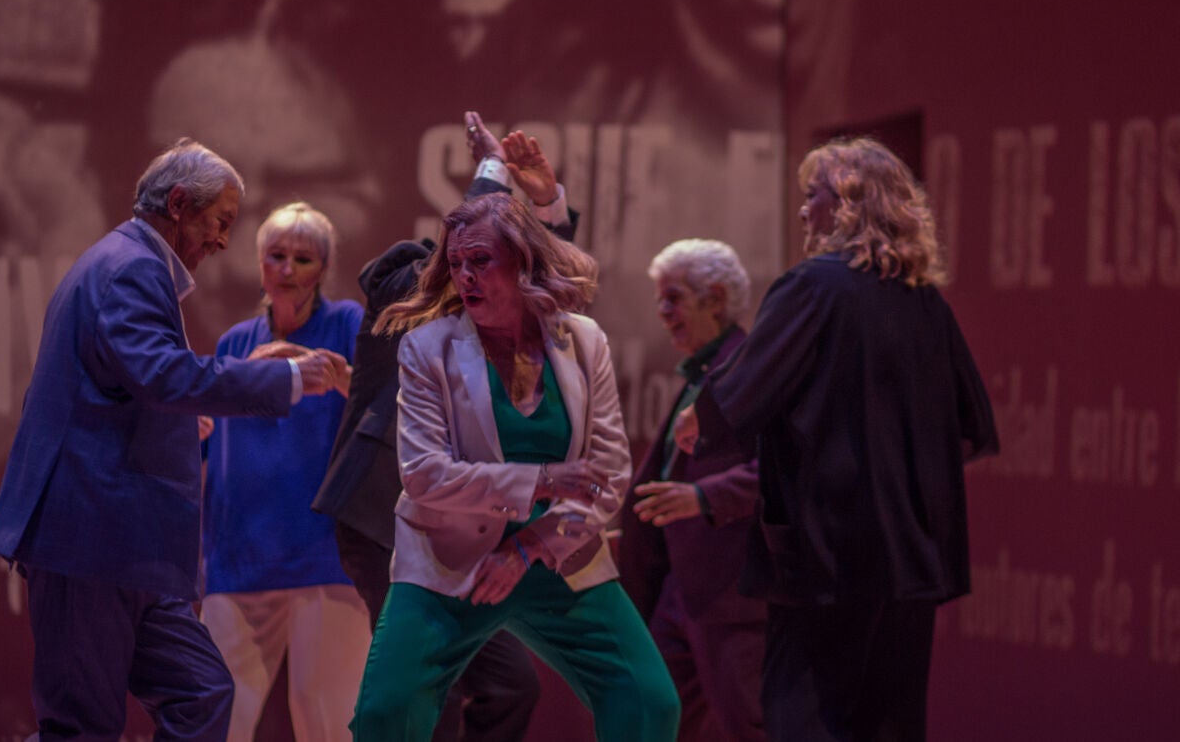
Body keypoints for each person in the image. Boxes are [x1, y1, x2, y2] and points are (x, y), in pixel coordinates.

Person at [0, 139, 350, 740]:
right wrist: (286, 377)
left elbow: (129, 387)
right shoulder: (130, 267)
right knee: (81, 728)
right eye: (220, 221)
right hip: (89, 536)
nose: (223, 241)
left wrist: (184, 420)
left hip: (129, 543)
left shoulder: (128, 265)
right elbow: (160, 375)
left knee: (202, 693)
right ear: (179, 203)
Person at [690, 137, 1000, 742]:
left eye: (814, 196)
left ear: (849, 206)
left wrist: (701, 420)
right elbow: (973, 429)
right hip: (911, 563)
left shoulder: (812, 288)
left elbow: (736, 402)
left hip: (827, 558)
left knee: (804, 720)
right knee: (889, 728)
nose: (804, 211)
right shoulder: (926, 302)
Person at [349, 193, 679, 742]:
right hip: (451, 559)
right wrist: (542, 480)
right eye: (456, 263)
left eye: (481, 260)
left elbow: (609, 471)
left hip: (556, 555)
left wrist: (527, 548)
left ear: (523, 261)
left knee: (649, 702)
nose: (465, 276)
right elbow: (425, 475)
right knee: (385, 716)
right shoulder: (427, 348)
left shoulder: (583, 340)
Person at [313, 112, 574, 742]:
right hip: (385, 517)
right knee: (427, 687)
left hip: (453, 527)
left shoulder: (491, 313)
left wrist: (546, 203)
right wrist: (493, 170)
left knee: (510, 685)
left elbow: (549, 283)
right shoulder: (402, 292)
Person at [199, 202, 370, 742]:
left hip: (326, 554)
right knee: (215, 716)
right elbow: (209, 440)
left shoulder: (346, 324)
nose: (288, 268)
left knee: (327, 720)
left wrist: (339, 375)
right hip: (240, 555)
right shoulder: (235, 343)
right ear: (259, 264)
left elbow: (389, 408)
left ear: (324, 268)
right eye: (277, 255)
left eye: (304, 257)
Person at [617, 239, 766, 742]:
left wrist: (702, 497)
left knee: (750, 726)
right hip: (680, 587)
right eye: (660, 299)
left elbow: (784, 472)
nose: (662, 312)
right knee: (654, 719)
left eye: (673, 298)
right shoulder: (702, 373)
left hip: (730, 590)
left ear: (716, 298)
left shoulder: (751, 370)